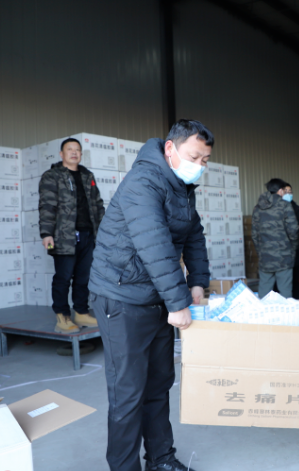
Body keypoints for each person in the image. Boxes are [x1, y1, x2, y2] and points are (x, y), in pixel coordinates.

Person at [88, 119, 212, 471]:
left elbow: (193, 234)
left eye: (204, 160)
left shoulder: (181, 185)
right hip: (121, 296)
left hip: (153, 294)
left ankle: (161, 460)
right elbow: (154, 244)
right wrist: (178, 302)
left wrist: (198, 282)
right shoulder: (143, 182)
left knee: (158, 384)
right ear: (170, 148)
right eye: (194, 157)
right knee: (128, 392)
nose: (199, 166)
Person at [39, 137, 104, 333]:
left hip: (88, 235)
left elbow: (98, 205)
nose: (74, 152)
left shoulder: (87, 175)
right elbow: (47, 206)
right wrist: (46, 234)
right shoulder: (52, 176)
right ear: (62, 154)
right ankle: (62, 317)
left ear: (81, 154)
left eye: (77, 150)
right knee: (64, 277)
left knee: (84, 277)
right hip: (63, 236)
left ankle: (81, 312)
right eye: (70, 149)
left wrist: (103, 232)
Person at [252, 178, 299, 298]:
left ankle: (263, 311)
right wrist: (292, 249)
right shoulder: (285, 205)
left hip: (265, 258)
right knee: (285, 293)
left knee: (264, 293)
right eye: (284, 190)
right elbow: (293, 230)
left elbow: (254, 234)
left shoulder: (258, 208)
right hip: (284, 257)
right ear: (280, 190)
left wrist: (261, 252)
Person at [282, 183, 299, 299]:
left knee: (294, 280)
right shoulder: (275, 210)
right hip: (279, 253)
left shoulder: (296, 209)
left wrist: (292, 238)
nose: (288, 194)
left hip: (293, 251)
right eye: (285, 192)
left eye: (290, 192)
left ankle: (296, 304)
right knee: (280, 281)